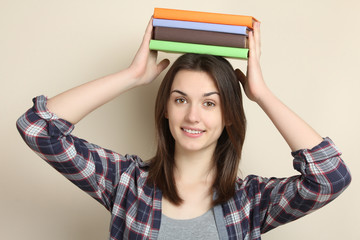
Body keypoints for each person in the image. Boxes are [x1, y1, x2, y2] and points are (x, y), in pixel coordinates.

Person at [16, 18, 351, 240]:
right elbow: (37, 129)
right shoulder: (126, 182)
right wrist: (131, 76)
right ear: (165, 108)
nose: (193, 116)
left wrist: (261, 95)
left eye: (209, 103)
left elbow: (330, 177)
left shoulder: (251, 200)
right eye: (180, 100)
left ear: (229, 115)